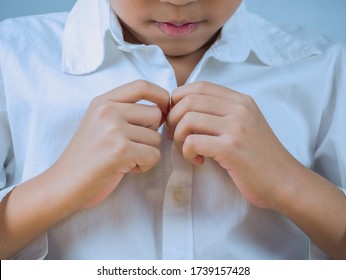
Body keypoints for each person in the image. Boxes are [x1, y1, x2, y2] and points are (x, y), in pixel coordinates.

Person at [0, 0, 345, 260]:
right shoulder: (10, 55)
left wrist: (289, 182)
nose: (179, 0)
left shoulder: (326, 67)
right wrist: (58, 184)